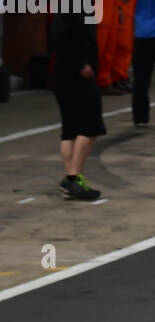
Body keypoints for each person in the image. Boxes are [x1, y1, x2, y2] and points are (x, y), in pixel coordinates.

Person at [50, 12, 106, 200]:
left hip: (67, 76)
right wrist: (81, 64)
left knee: (70, 129)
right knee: (91, 126)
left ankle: (71, 182)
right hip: (73, 77)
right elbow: (61, 40)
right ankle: (73, 178)